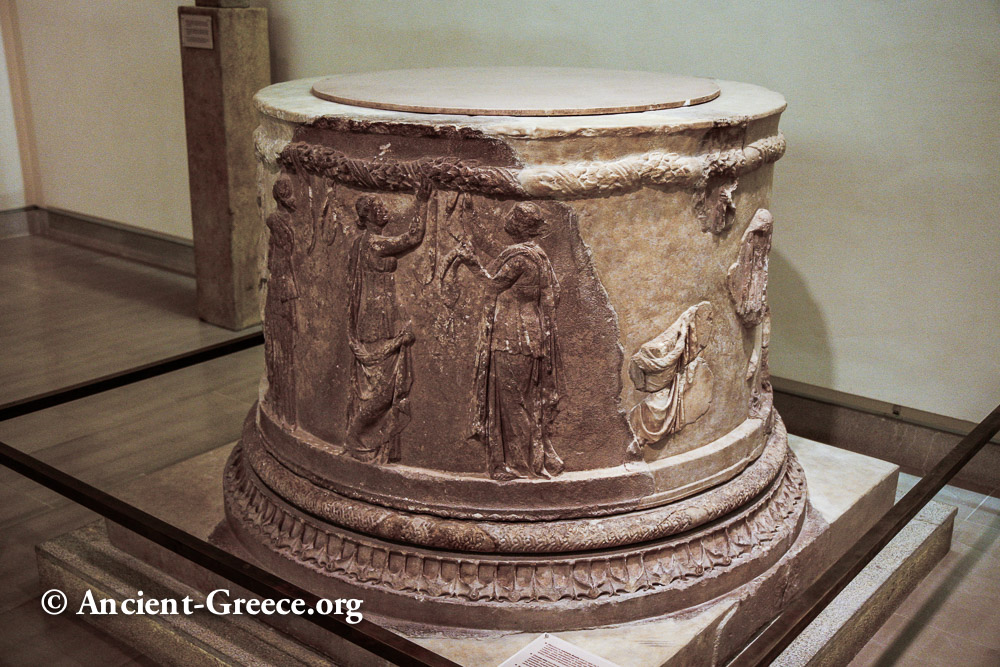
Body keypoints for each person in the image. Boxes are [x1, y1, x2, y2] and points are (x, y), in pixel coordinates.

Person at [460, 202, 565, 480]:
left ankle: (520, 464)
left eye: (513, 216)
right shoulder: (537, 255)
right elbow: (556, 292)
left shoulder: (520, 259)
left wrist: (471, 264)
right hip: (532, 335)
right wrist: (469, 218)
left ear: (517, 224)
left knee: (511, 402)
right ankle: (529, 460)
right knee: (523, 401)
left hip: (513, 336)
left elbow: (492, 284)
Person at [345, 182, 429, 463]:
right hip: (377, 319)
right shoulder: (374, 243)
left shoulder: (361, 244)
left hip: (382, 314)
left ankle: (370, 439)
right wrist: (422, 201)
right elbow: (414, 237)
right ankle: (357, 436)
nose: (385, 210)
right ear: (367, 217)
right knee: (381, 389)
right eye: (379, 208)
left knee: (385, 386)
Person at [263, 177, 299, 426]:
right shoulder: (278, 221)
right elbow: (273, 255)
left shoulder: (282, 222)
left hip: (284, 287)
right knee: (279, 350)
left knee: (283, 351)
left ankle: (284, 404)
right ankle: (280, 402)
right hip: (282, 287)